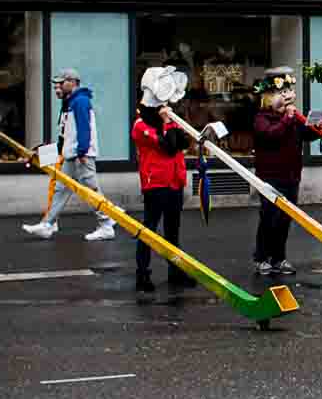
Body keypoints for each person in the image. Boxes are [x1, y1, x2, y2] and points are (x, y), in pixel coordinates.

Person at [23, 69, 112, 242]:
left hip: (80, 156)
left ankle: (106, 224)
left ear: (73, 82)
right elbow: (65, 139)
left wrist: (82, 152)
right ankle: (48, 224)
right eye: (56, 85)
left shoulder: (80, 101)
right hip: (73, 155)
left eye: (61, 84)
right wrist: (43, 153)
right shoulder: (70, 103)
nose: (58, 88)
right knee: (60, 190)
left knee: (92, 191)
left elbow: (84, 128)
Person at [130, 101, 196, 298]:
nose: (165, 108)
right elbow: (167, 147)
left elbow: (183, 143)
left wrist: (174, 123)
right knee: (149, 230)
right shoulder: (141, 125)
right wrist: (168, 123)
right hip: (156, 182)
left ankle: (175, 271)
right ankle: (142, 274)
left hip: (175, 181)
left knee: (173, 231)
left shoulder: (168, 123)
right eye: (161, 105)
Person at [250, 67, 306, 280]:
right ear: (269, 97)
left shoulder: (291, 117)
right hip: (270, 176)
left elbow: (305, 133)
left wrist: (316, 127)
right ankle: (262, 258)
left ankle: (279, 257)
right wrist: (287, 119)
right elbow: (271, 135)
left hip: (291, 175)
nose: (286, 97)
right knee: (269, 218)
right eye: (281, 93)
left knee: (285, 219)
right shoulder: (261, 118)